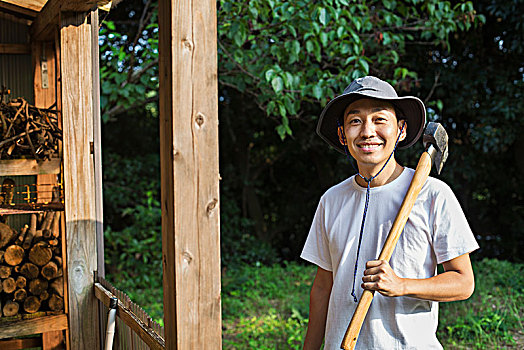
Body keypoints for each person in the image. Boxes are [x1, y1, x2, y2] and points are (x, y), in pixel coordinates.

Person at [301, 76, 479, 350]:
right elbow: (323, 287)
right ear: (342, 134)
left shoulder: (432, 194)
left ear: (401, 130)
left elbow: (463, 282)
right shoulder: (331, 200)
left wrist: (402, 285)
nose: (367, 131)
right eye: (355, 121)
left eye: (380, 119)